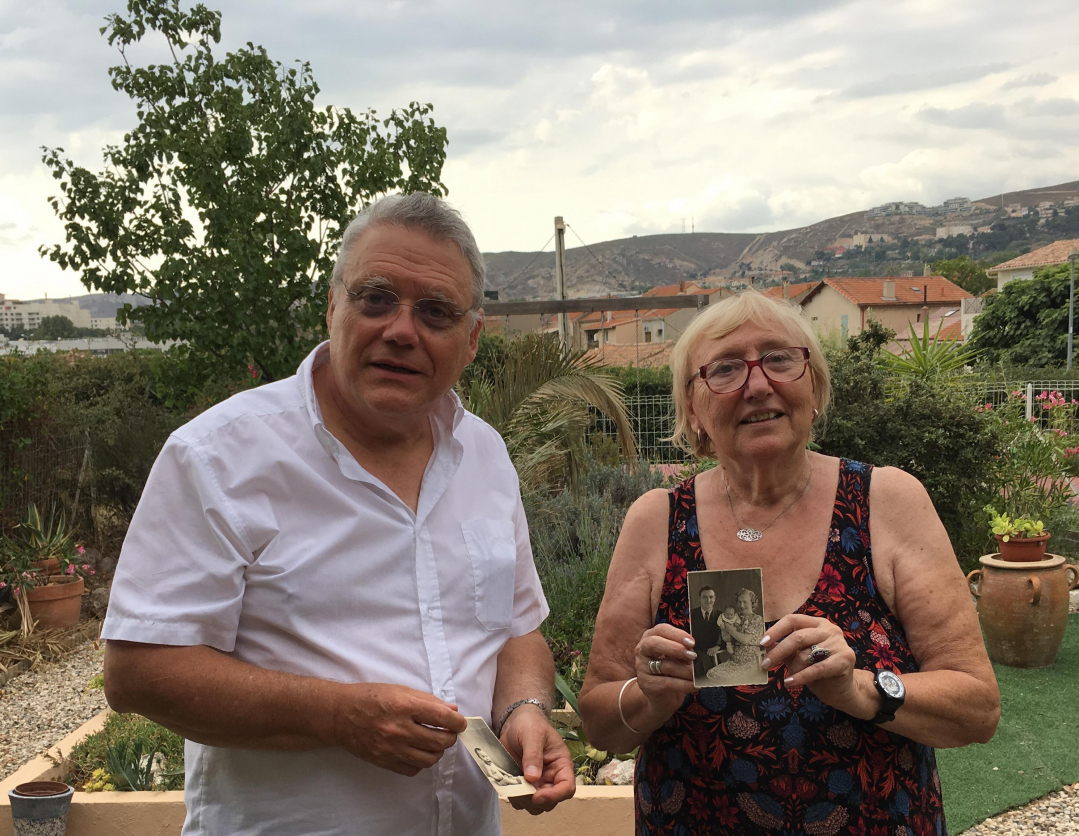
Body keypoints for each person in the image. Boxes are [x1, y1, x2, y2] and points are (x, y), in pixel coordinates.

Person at [101, 193, 575, 836]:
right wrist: (337, 716)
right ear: (333, 306)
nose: (402, 330)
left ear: (471, 339)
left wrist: (525, 707)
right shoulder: (217, 456)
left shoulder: (485, 455)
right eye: (376, 298)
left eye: (435, 312)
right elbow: (138, 672)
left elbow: (517, 629)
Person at [578, 291, 1000, 835]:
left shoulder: (886, 501)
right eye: (725, 368)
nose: (758, 384)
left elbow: (977, 708)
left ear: (815, 387)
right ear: (692, 409)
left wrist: (863, 689)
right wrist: (647, 695)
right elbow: (598, 720)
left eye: (780, 359)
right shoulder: (656, 519)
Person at [706, 588, 765, 682]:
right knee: (712, 673)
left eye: (745, 602)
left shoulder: (757, 619)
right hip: (734, 661)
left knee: (731, 680)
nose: (741, 605)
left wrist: (728, 627)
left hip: (751, 663)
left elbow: (745, 640)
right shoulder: (735, 616)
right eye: (739, 602)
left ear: (752, 602)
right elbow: (724, 632)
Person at [689, 587, 722, 677]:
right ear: (700, 598)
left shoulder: (720, 616)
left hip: (712, 654)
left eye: (711, 597)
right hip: (695, 653)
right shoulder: (691, 615)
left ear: (714, 599)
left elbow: (728, 638)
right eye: (705, 597)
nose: (708, 600)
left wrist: (717, 647)